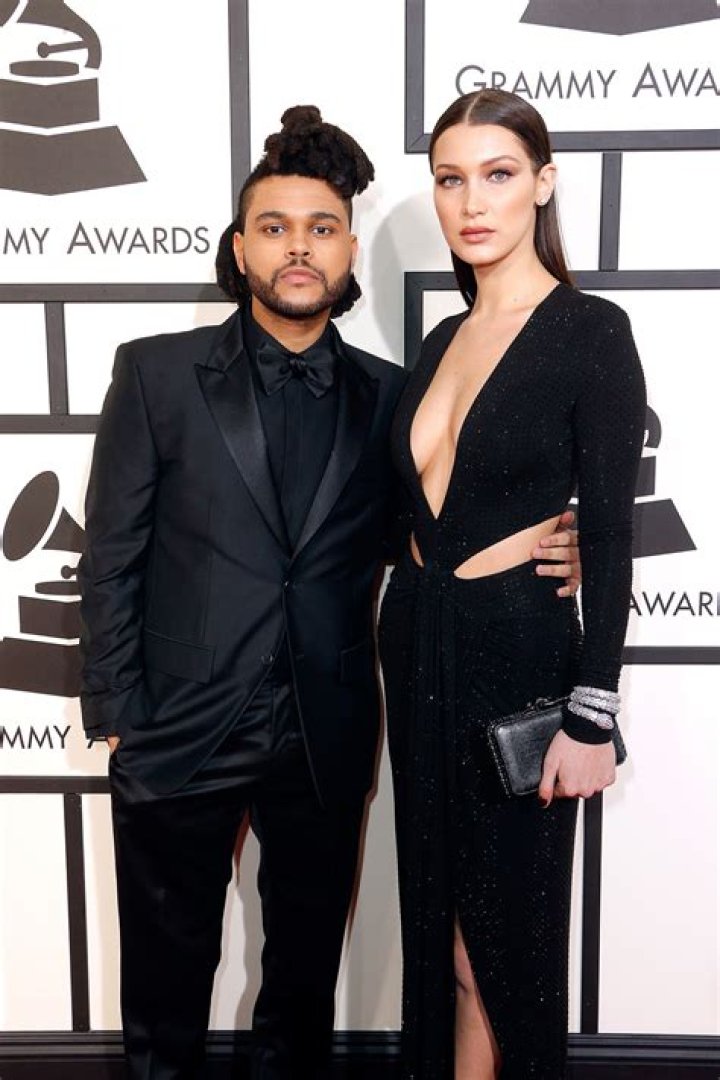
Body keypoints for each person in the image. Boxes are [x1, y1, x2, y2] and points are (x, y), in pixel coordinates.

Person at [78, 104, 580, 1080]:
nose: (297, 248)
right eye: (274, 227)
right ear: (240, 248)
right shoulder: (156, 375)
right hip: (177, 727)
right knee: (163, 993)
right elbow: (109, 550)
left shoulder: (394, 391)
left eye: (320, 228)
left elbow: (435, 534)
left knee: (302, 991)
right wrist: (117, 710)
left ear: (349, 247)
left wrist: (573, 547)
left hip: (326, 730)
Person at [378, 89, 646, 1080]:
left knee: (507, 948)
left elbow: (611, 535)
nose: (471, 200)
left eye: (497, 174)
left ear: (543, 181)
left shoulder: (590, 331)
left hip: (521, 659)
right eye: (450, 178)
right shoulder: (440, 344)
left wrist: (592, 714)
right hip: (416, 645)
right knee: (438, 933)